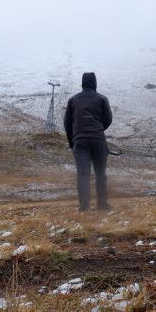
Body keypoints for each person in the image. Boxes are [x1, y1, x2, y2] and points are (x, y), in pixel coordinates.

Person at [64, 72, 113, 211]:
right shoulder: (102, 99)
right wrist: (98, 129)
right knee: (100, 174)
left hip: (80, 141)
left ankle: (84, 206)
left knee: (83, 174)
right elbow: (108, 119)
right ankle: (102, 205)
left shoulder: (73, 100)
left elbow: (67, 123)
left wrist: (72, 141)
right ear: (95, 83)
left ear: (82, 83)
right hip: (98, 140)